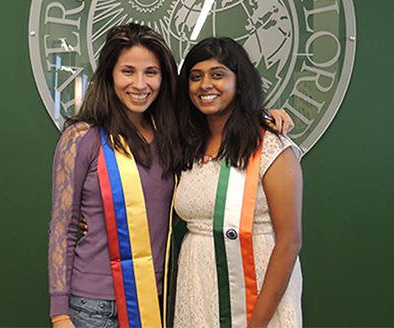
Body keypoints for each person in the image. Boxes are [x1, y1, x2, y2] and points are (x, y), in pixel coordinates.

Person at [50, 22, 294, 328]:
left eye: (150, 72)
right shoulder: (82, 137)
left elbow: (223, 115)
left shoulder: (174, 138)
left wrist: (263, 113)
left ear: (163, 78)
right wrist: (60, 315)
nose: (140, 84)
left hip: (158, 300)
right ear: (110, 75)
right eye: (128, 71)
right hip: (94, 306)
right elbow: (62, 227)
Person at [172, 37, 303, 328]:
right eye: (196, 77)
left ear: (240, 83)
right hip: (197, 289)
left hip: (256, 296)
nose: (205, 84)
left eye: (218, 74)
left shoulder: (270, 147)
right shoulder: (187, 146)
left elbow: (290, 241)